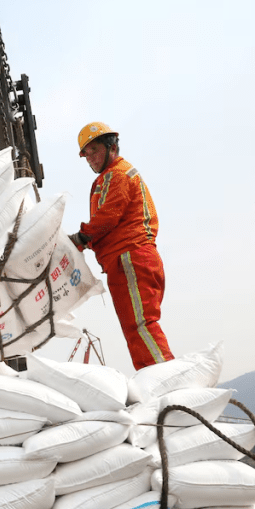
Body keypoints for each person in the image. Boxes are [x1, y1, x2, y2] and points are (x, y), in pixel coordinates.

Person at [68, 122, 174, 370]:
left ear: (111, 146)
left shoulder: (118, 175)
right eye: (87, 154)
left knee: (140, 324)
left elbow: (108, 216)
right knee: (134, 327)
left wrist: (80, 238)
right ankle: (153, 378)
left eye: (94, 151)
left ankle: (166, 380)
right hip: (125, 260)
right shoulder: (109, 178)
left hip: (131, 257)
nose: (91, 159)